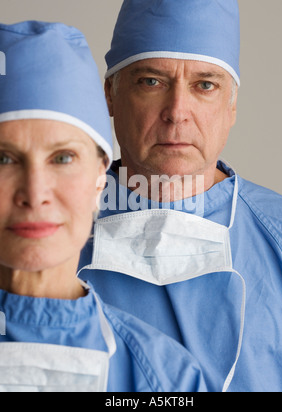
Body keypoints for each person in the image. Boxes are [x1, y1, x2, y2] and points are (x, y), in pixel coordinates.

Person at [79, 0, 282, 392]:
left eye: (205, 85)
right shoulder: (48, 236)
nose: (177, 112)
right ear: (110, 95)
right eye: (152, 81)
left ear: (231, 105)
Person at [0, 21, 208, 392]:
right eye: (4, 159)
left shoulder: (165, 377)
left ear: (100, 175)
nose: (35, 193)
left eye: (62, 158)